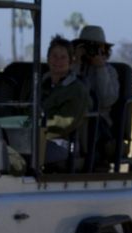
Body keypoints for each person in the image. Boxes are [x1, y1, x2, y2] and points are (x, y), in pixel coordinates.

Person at [21, 36, 92, 169]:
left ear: (71, 61)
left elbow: (65, 123)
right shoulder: (39, 84)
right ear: (48, 59)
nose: (58, 60)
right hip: (33, 137)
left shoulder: (77, 89)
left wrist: (37, 125)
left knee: (22, 156)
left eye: (63, 57)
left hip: (62, 142)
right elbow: (26, 109)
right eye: (54, 56)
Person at [72, 25, 119, 126]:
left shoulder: (110, 71)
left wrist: (100, 68)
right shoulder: (72, 67)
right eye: (86, 47)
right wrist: (77, 63)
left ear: (104, 50)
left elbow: (107, 100)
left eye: (95, 47)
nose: (90, 50)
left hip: (98, 121)